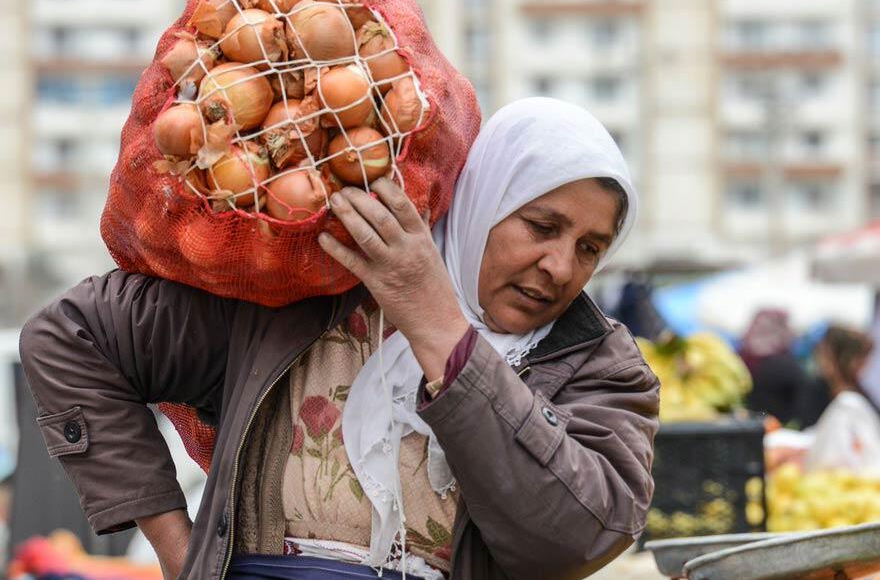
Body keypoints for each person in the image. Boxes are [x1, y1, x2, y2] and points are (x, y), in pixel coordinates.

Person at [19, 98, 659, 580]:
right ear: (484, 202)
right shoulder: (310, 292)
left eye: (590, 248)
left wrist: (440, 325)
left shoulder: (600, 367)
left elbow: (576, 535)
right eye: (541, 226)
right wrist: (175, 547)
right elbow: (70, 335)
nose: (560, 265)